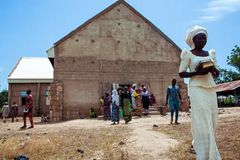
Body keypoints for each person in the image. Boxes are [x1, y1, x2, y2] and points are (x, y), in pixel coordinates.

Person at [179, 25, 221, 159]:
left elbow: (217, 73)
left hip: (210, 88)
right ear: (193, 39)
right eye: (199, 38)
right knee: (202, 120)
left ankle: (205, 145)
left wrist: (212, 69)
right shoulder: (188, 54)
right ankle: (203, 152)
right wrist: (198, 72)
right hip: (197, 89)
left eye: (204, 38)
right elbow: (182, 73)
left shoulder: (211, 54)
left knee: (213, 118)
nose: (202, 40)